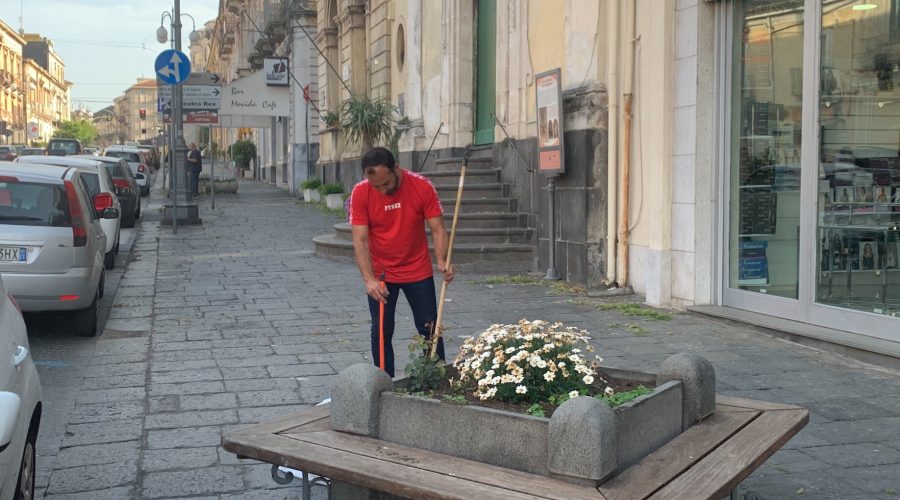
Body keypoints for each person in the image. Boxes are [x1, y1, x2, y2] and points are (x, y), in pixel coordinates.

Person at [349, 147, 454, 377]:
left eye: (386, 183)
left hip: (417, 269)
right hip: (382, 276)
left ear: (396, 168)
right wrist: (369, 279)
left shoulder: (421, 185)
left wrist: (442, 260)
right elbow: (360, 239)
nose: (382, 190)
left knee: (429, 327)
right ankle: (384, 381)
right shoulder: (361, 192)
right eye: (376, 186)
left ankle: (436, 378)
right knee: (381, 330)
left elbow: (438, 229)